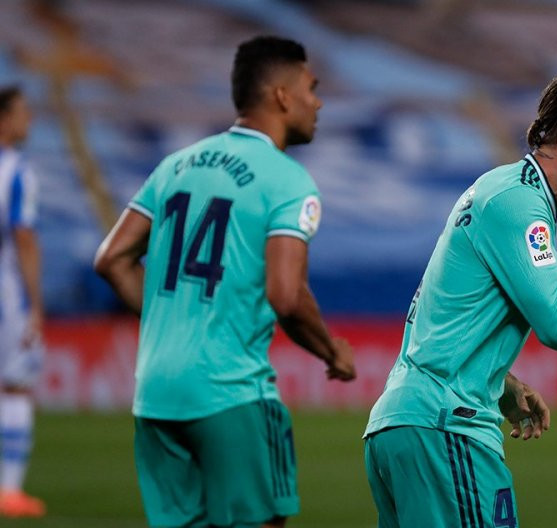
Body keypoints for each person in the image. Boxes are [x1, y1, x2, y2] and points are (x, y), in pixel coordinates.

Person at [94, 36, 355, 528]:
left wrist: (173, 320)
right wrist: (331, 352)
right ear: (281, 96)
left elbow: (111, 259)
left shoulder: (176, 164)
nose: (317, 102)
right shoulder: (287, 180)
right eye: (311, 87)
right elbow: (286, 295)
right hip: (229, 391)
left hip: (155, 393)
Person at [364, 68, 557, 527]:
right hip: (445, 430)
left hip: (406, 424)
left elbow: (438, 321)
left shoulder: (504, 190)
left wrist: (502, 385)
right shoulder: (518, 203)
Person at [0, 85, 46, 519]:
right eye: (22, 112)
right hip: (5, 295)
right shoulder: (16, 171)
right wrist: (35, 303)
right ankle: (9, 491)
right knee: (14, 386)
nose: (28, 119)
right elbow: (24, 236)